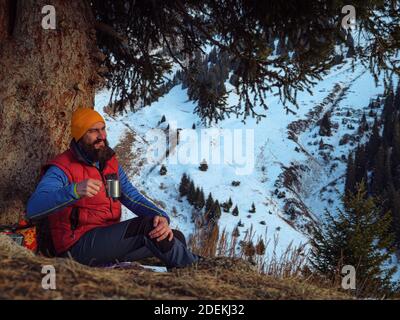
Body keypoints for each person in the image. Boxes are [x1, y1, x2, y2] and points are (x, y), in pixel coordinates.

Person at [26, 107, 199, 268]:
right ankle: (197, 270)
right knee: (148, 228)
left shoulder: (107, 164)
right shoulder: (63, 167)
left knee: (173, 237)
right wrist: (74, 191)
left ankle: (181, 289)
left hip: (107, 241)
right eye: (93, 131)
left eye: (103, 128)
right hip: (76, 247)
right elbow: (34, 208)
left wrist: (161, 217)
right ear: (79, 135)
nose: (101, 135)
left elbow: (130, 197)